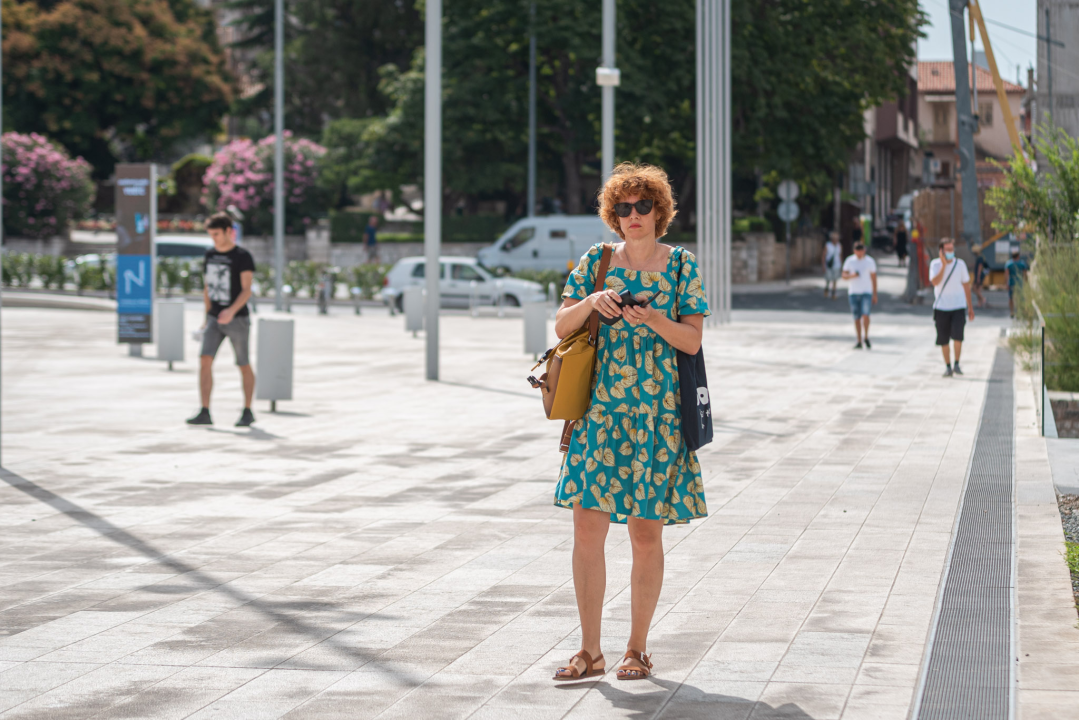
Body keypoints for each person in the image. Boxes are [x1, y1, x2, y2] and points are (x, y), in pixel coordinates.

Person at [551, 163, 708, 683]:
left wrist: (655, 319)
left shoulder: (682, 266)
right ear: (613, 215)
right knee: (586, 529)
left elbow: (692, 340)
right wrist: (594, 301)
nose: (634, 215)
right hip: (601, 417)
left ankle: (636, 649)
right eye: (624, 208)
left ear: (659, 211)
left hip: (657, 420)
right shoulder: (597, 263)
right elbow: (561, 323)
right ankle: (589, 651)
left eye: (643, 206)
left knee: (644, 534)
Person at [187, 212, 257, 426]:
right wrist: (206, 318)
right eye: (211, 235)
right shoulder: (209, 255)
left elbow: (247, 290)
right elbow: (207, 288)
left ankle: (247, 410)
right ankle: (204, 411)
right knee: (204, 360)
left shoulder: (242, 256)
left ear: (228, 231)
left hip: (237, 320)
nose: (214, 238)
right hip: (214, 318)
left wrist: (232, 311)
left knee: (243, 363)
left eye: (217, 234)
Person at [929, 238, 975, 378]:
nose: (950, 252)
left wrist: (970, 307)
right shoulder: (935, 264)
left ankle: (957, 363)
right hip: (941, 307)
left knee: (958, 337)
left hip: (958, 306)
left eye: (951, 249)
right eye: (947, 249)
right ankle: (948, 366)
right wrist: (943, 265)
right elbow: (935, 282)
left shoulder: (960, 264)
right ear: (941, 251)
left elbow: (966, 286)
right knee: (943, 339)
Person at [841, 242, 877, 349]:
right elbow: (844, 275)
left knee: (865, 314)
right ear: (854, 251)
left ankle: (866, 336)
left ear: (864, 250)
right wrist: (852, 275)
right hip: (853, 292)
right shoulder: (849, 261)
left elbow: (874, 278)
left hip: (866, 291)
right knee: (856, 317)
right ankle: (859, 340)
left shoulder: (870, 261)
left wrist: (875, 293)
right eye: (857, 250)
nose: (859, 253)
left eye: (861, 250)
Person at [1004, 250, 1029, 318]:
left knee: (1011, 298)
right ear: (1018, 256)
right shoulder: (1022, 263)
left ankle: (1012, 312)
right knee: (1020, 298)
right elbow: (1025, 274)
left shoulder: (1008, 264)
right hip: (1019, 282)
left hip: (1011, 281)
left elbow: (1006, 274)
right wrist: (1026, 282)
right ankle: (1019, 312)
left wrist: (1006, 283)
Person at [822, 231, 842, 299]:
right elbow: (824, 255)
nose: (836, 239)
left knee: (835, 280)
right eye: (835, 238)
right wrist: (823, 265)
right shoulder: (828, 245)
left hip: (837, 265)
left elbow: (840, 255)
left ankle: (833, 293)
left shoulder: (839, 246)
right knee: (828, 279)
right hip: (829, 265)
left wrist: (841, 265)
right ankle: (826, 289)